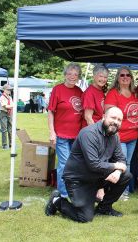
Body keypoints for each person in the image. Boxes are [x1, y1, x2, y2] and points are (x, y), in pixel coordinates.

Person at [45, 107, 132, 222]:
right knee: (85, 217)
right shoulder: (89, 134)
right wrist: (116, 166)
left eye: (119, 120)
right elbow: (94, 164)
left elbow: (121, 159)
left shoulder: (114, 136)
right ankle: (57, 201)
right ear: (103, 117)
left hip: (95, 177)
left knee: (125, 175)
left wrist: (117, 171)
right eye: (113, 118)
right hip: (78, 180)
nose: (116, 122)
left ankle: (104, 208)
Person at [105, 66, 138, 200]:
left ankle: (124, 189)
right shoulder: (113, 93)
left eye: (128, 75)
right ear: (117, 78)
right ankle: (121, 192)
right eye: (122, 75)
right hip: (119, 136)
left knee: (128, 164)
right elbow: (109, 117)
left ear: (131, 78)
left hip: (133, 135)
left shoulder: (135, 93)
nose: (125, 77)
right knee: (122, 163)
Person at [47, 63, 83, 198]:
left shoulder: (80, 92)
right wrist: (52, 132)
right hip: (61, 134)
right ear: (65, 74)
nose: (72, 77)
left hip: (76, 135)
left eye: (75, 74)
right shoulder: (58, 90)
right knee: (64, 163)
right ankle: (63, 193)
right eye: (70, 73)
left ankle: (72, 188)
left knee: (74, 163)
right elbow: (51, 112)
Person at [0, 84, 13, 149]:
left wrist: (12, 106)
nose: (9, 91)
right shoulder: (2, 97)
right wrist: (14, 105)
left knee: (10, 129)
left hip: (10, 113)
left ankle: (11, 144)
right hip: (3, 113)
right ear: (4, 90)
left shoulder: (10, 97)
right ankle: (4, 144)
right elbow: (6, 106)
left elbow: (11, 105)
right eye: (8, 90)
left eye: (10, 90)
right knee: (4, 130)